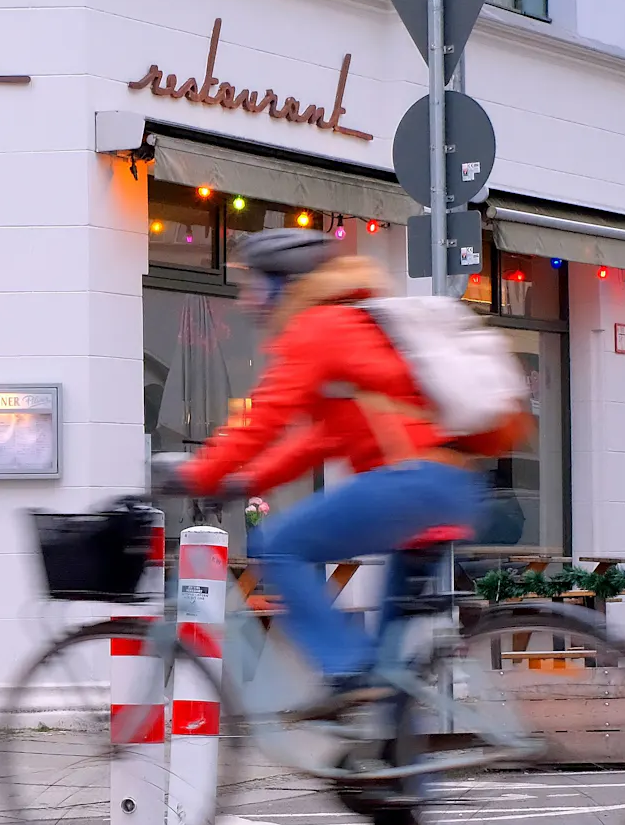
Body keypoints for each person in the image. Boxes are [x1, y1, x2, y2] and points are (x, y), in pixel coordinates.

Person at [163, 228, 488, 703]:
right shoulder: (354, 324)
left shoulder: (317, 328)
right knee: (388, 670)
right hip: (448, 485)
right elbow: (321, 438)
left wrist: (197, 473)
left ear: (283, 282)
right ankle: (386, 761)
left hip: (410, 485)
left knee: (279, 548)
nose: (248, 299)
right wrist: (247, 481)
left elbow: (265, 419)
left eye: (254, 284)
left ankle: (341, 667)